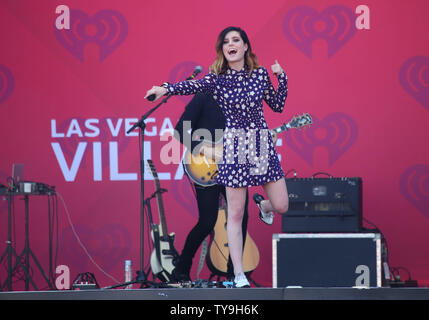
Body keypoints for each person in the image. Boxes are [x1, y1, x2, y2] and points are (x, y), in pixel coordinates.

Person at [145, 26, 289, 288]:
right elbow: (190, 86)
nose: (231, 44)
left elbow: (278, 104)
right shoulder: (217, 80)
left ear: (246, 46)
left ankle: (264, 206)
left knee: (281, 205)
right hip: (234, 147)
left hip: (259, 143)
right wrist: (165, 88)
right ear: (222, 50)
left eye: (236, 40)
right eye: (226, 42)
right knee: (234, 215)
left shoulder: (259, 75)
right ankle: (239, 275)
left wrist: (283, 77)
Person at [172, 92, 251, 282]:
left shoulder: (242, 97)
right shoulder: (203, 97)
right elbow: (179, 130)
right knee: (207, 221)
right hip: (205, 166)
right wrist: (203, 149)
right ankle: (181, 269)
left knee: (241, 216)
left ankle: (234, 274)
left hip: (233, 165)